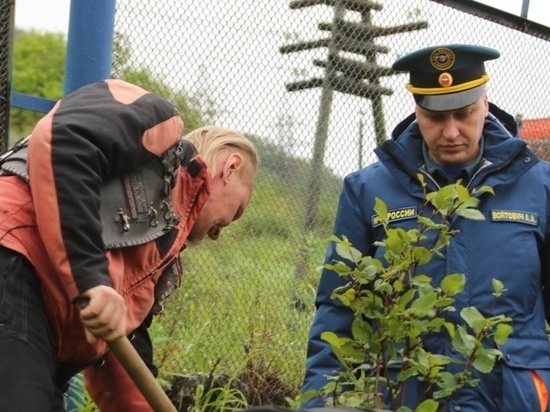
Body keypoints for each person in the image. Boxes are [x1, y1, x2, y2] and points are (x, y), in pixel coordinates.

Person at [300, 44, 550, 411]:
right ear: (417, 108)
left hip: (514, 398)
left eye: (464, 114)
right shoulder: (367, 190)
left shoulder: (540, 187)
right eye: (436, 117)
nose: (451, 132)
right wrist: (320, 403)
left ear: (485, 102)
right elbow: (337, 310)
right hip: (404, 397)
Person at [0, 78, 259, 411]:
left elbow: (123, 365)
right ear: (231, 167)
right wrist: (91, 279)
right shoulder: (159, 127)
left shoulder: (154, 260)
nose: (220, 233)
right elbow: (65, 139)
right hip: (13, 257)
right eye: (236, 211)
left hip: (37, 323)